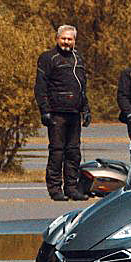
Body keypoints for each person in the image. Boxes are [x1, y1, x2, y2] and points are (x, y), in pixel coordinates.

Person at [34, 24, 91, 201]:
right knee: (57, 152)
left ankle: (71, 187)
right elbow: (40, 86)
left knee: (73, 152)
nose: (66, 42)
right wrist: (44, 110)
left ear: (74, 40)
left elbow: (82, 87)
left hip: (74, 113)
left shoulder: (78, 59)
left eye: (70, 39)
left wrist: (86, 109)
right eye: (64, 38)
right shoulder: (48, 58)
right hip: (56, 112)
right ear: (57, 38)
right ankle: (55, 188)